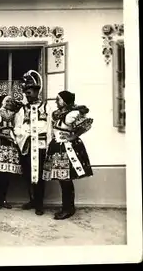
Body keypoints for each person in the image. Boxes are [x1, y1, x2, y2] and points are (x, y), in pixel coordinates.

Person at [43, 90, 94, 220]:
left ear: (65, 101)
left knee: (66, 179)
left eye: (58, 99)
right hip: (57, 147)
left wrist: (74, 136)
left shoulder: (72, 114)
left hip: (67, 148)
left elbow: (86, 125)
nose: (56, 101)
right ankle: (67, 207)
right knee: (62, 179)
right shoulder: (58, 113)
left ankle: (68, 209)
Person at [14, 70, 53, 216]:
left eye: (29, 92)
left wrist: (49, 146)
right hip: (28, 146)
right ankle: (32, 200)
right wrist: (25, 135)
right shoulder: (22, 110)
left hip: (41, 147)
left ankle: (39, 204)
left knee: (40, 176)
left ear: (36, 91)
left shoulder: (46, 108)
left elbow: (49, 128)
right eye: (25, 93)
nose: (27, 95)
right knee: (29, 175)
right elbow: (17, 128)